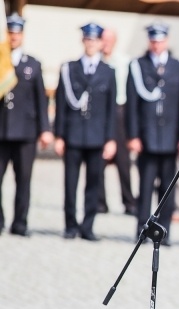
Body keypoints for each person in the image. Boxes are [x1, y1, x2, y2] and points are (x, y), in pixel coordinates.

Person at [54, 22, 117, 241]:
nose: (91, 44)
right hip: (73, 135)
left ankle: (88, 226)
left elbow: (111, 109)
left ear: (101, 43)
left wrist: (110, 139)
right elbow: (61, 103)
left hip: (97, 137)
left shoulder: (108, 72)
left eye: (95, 40)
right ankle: (70, 225)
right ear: (83, 41)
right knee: (70, 182)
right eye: (88, 39)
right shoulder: (69, 68)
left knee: (94, 183)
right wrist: (59, 135)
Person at [126, 22, 179, 244]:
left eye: (160, 40)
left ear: (167, 41)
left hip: (171, 137)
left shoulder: (178, 67)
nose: (157, 44)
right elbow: (131, 104)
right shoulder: (138, 65)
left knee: (167, 189)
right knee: (145, 186)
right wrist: (132, 135)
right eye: (153, 40)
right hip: (146, 137)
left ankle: (163, 231)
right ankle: (142, 229)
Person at [0, 13, 52, 237]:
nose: (13, 37)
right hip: (1, 131)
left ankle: (20, 223)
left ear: (22, 35)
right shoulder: (1, 61)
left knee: (23, 181)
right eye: (10, 32)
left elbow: (41, 99)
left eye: (17, 33)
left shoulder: (33, 64)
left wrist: (45, 129)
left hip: (25, 133)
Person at [98, 27, 137, 217]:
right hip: (99, 113)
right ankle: (99, 201)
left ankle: (129, 201)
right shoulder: (94, 61)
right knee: (98, 160)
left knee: (123, 161)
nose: (105, 43)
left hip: (120, 110)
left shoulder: (125, 61)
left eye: (109, 40)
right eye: (102, 39)